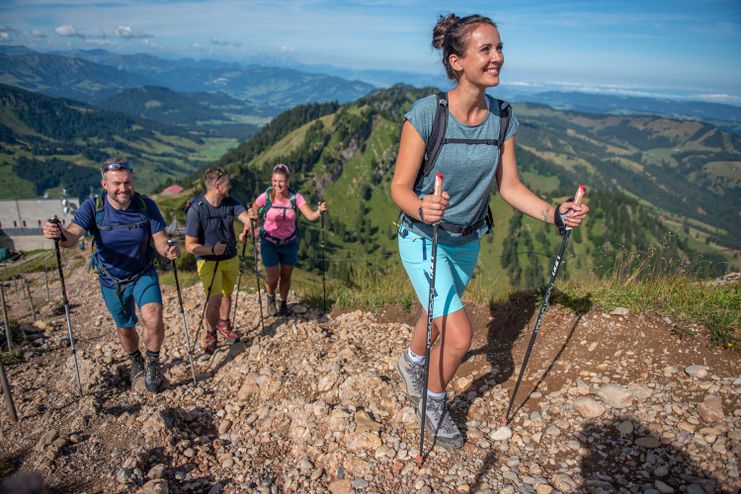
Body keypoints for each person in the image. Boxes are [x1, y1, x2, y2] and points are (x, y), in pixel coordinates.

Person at [390, 14, 589, 448]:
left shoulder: (502, 118)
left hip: (466, 240)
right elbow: (399, 188)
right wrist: (422, 207)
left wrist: (555, 213)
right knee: (460, 333)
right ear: (457, 61)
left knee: (437, 312)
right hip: (423, 238)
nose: (498, 57)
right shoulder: (427, 114)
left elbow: (510, 186)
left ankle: (411, 361)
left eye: (500, 48)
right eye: (487, 49)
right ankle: (433, 400)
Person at [43, 158, 180, 393]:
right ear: (104, 184)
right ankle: (136, 360)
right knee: (126, 327)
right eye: (116, 183)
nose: (123, 188)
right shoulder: (93, 207)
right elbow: (73, 237)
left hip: (143, 272)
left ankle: (153, 363)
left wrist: (168, 249)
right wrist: (59, 233)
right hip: (111, 279)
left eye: (127, 182)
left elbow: (159, 240)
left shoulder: (146, 206)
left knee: (153, 316)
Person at [185, 167, 254, 355]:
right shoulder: (196, 210)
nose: (229, 186)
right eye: (226, 183)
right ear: (217, 186)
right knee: (214, 299)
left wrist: (251, 220)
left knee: (227, 295)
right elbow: (189, 245)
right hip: (207, 261)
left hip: (230, 257)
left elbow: (246, 218)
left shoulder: (231, 202)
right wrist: (211, 250)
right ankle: (211, 333)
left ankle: (224, 324)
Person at [251, 164, 327, 316]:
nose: (277, 184)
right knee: (273, 278)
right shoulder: (265, 197)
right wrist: (253, 221)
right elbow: (255, 214)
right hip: (269, 243)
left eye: (281, 181)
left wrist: (319, 212)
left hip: (289, 243)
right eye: (274, 181)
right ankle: (271, 298)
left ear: (287, 181)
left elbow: (310, 216)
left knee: (286, 276)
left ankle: (283, 303)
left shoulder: (295, 198)